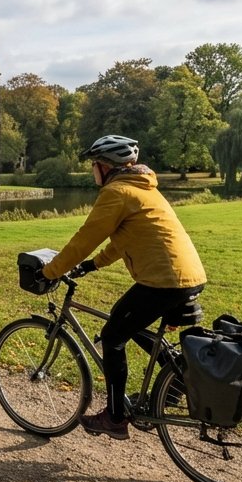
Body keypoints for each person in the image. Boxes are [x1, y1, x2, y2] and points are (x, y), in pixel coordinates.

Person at [40, 134, 207, 440]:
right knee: (127, 321)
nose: (93, 170)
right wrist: (94, 264)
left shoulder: (117, 192)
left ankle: (115, 418)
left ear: (105, 166)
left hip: (164, 280)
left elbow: (85, 237)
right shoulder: (142, 188)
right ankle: (176, 381)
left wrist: (51, 271)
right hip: (188, 276)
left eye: (94, 164)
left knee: (113, 335)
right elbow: (123, 238)